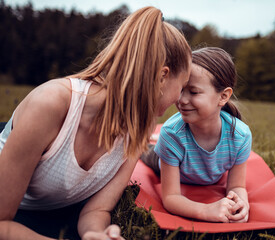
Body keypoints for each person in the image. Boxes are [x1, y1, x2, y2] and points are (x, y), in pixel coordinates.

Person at [0, 6, 191, 240]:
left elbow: (97, 210)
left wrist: (98, 234)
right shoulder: (50, 105)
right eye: (181, 88)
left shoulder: (139, 128)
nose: (179, 101)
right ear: (162, 77)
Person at [141, 47, 252, 223]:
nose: (182, 100)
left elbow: (237, 186)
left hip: (189, 161)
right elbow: (171, 198)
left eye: (193, 92)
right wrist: (206, 210)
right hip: (162, 161)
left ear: (223, 96)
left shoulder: (240, 135)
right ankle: (147, 141)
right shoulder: (171, 134)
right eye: (182, 89)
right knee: (142, 150)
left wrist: (241, 205)